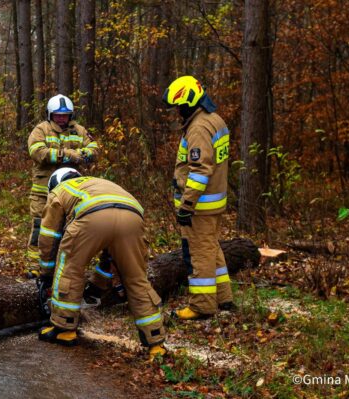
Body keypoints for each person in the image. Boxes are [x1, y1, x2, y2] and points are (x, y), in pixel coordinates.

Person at [37, 167, 166, 360]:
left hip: (92, 217)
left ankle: (64, 327)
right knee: (136, 277)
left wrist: (46, 274)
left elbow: (49, 236)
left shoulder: (60, 190)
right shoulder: (98, 184)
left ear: (55, 182)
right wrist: (97, 285)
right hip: (132, 217)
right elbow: (110, 257)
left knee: (71, 268)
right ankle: (155, 340)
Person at [162, 75, 233, 320]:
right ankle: (223, 296)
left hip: (200, 207)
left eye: (179, 106)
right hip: (214, 201)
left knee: (198, 254)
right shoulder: (215, 120)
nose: (177, 112)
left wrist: (187, 205)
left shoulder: (199, 128)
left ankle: (202, 305)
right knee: (212, 250)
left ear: (189, 102)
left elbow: (201, 170)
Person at [26, 94, 99, 277]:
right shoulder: (41, 130)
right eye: (57, 115)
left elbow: (94, 149)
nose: (61, 118)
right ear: (50, 115)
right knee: (40, 229)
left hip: (71, 194)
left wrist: (83, 154)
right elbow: (37, 152)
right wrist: (67, 155)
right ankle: (35, 267)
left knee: (69, 231)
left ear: (71, 115)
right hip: (43, 193)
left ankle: (63, 266)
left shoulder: (79, 131)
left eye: (65, 115)